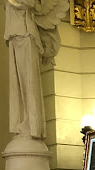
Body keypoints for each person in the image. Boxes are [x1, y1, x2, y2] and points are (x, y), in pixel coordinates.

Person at [5, 0, 68, 138]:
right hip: (14, 34)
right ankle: (21, 124)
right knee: (17, 84)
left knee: (29, 81)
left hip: (27, 34)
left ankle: (33, 126)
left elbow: (31, 3)